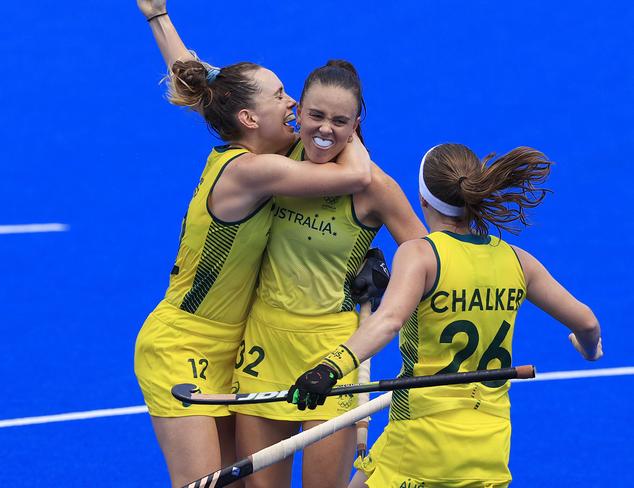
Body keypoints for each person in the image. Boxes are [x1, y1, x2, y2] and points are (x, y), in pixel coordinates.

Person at [134, 2, 375, 487]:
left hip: (234, 347)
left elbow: (201, 86)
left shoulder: (264, 146)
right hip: (182, 344)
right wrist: (347, 123)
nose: (293, 105)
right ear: (248, 117)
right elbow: (357, 174)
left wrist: (158, 18)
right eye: (282, 95)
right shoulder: (250, 170)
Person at [289, 143, 603, 487]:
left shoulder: (420, 255)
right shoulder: (518, 261)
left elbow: (389, 320)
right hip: (489, 451)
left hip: (422, 445)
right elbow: (586, 322)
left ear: (423, 200)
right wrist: (587, 348)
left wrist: (329, 368)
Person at [229, 60, 427, 488]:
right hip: (263, 347)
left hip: (331, 356)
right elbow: (217, 98)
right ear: (297, 110)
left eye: (340, 121)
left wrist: (391, 277)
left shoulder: (373, 187)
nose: (325, 129)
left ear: (357, 124)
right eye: (316, 115)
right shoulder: (273, 161)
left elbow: (428, 255)